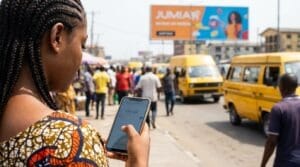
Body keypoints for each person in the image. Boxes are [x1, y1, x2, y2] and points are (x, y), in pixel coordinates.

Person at [0, 0, 150, 166]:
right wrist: (138, 162)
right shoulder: (69, 140)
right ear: (57, 37)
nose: (81, 57)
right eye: (82, 44)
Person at [261, 73, 300, 167]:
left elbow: (271, 142)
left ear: (282, 88)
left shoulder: (278, 109)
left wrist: (263, 164)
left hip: (286, 162)